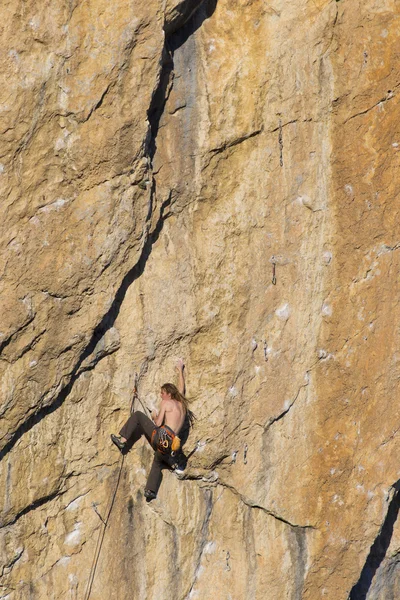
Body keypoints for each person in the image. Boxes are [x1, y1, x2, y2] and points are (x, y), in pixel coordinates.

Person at [110, 359, 193, 501]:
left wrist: (154, 414)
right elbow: (181, 388)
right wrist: (180, 370)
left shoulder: (166, 402)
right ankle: (150, 490)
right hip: (172, 445)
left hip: (161, 436)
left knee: (138, 416)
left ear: (168, 393)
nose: (161, 395)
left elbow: (159, 422)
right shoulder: (182, 405)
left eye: (162, 393)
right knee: (158, 461)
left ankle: (123, 440)